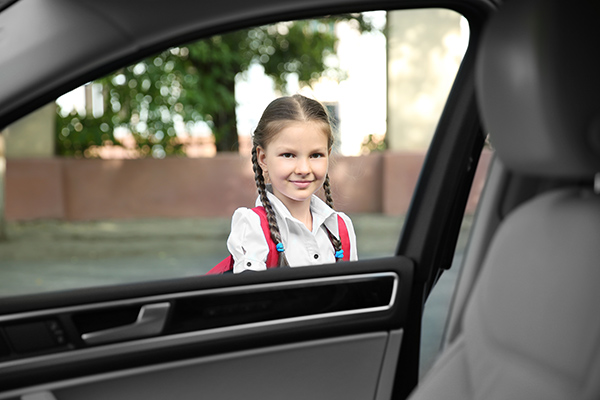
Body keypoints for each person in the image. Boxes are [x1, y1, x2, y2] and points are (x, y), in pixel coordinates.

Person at [225, 94, 358, 273]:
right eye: (288, 155)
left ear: (328, 154)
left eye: (315, 155)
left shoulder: (342, 227)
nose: (303, 169)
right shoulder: (252, 227)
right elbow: (252, 299)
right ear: (263, 158)